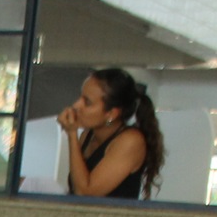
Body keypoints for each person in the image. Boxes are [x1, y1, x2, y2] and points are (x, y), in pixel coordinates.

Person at [57, 68, 163, 200]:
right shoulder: (87, 135)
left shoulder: (131, 141)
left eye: (87, 102)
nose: (76, 105)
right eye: (80, 97)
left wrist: (72, 134)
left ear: (111, 114)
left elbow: (85, 192)